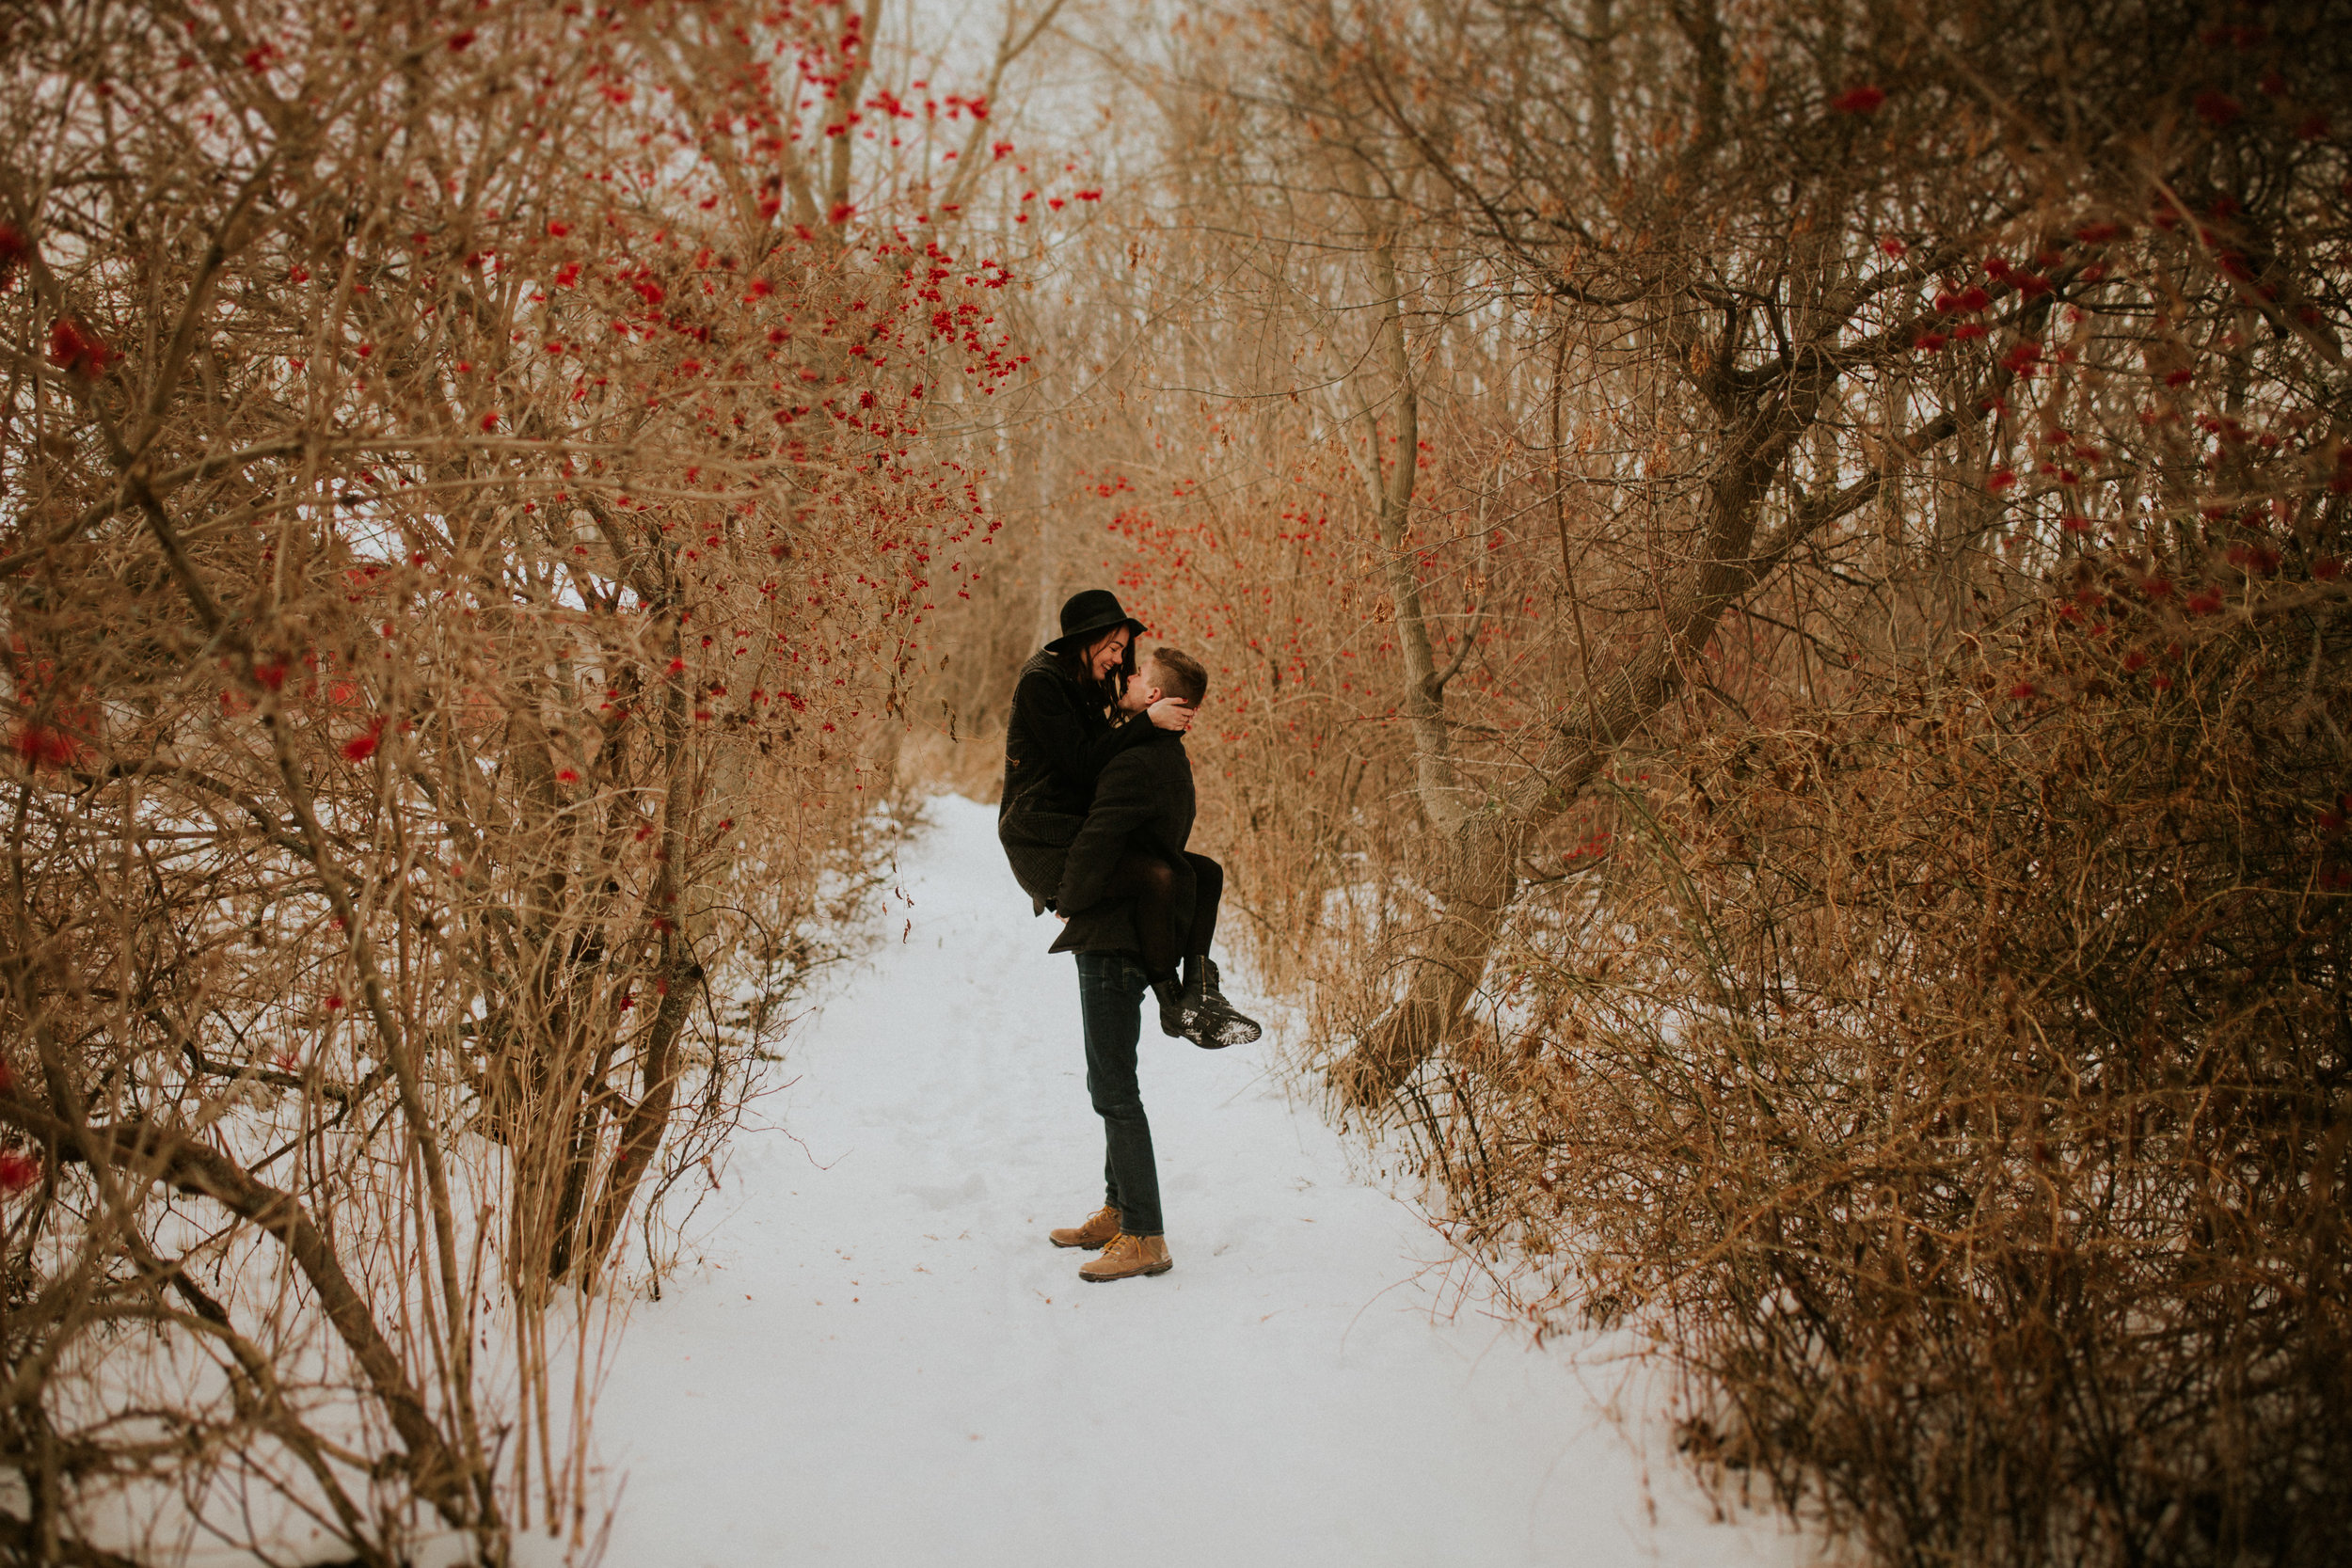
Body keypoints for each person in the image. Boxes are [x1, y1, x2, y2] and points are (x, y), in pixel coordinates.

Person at [998, 590, 1257, 1047]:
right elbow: (1082, 763)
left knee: (1202, 872)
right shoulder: (1041, 683)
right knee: (1158, 874)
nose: (1120, 661)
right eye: (1113, 648)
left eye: (1124, 651)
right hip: (1041, 832)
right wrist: (1148, 721)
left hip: (1074, 827)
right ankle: (1174, 1001)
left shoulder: (1085, 688)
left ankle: (1200, 991)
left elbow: (1107, 765)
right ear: (1086, 641)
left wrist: (1152, 729)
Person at [1039, 645, 1219, 1282]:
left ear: (1161, 697)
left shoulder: (1140, 763)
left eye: (1141, 676)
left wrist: (1068, 895)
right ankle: (1120, 1209)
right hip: (1124, 930)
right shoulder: (1155, 751)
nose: (1131, 676)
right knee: (1107, 1082)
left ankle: (1145, 1232)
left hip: (1113, 935)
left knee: (1115, 1088)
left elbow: (1099, 835)